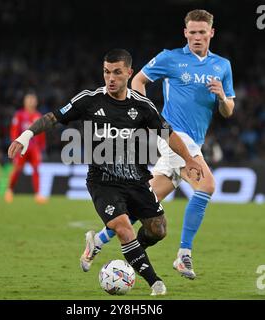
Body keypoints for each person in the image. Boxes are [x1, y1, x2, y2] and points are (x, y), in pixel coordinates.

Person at [8, 49, 203, 295]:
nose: (111, 78)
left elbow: (169, 134)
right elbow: (54, 117)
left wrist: (189, 160)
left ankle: (108, 246)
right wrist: (26, 135)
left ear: (129, 73)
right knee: (123, 228)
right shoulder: (89, 100)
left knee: (158, 230)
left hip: (137, 180)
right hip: (103, 182)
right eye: (106, 72)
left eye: (117, 73)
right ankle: (155, 282)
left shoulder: (141, 106)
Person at [81, 9, 235, 280]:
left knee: (147, 201)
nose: (197, 37)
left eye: (202, 32)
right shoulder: (170, 58)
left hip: (192, 141)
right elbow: (139, 80)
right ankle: (183, 254)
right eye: (192, 32)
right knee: (207, 185)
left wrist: (222, 97)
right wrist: (149, 116)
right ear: (185, 32)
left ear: (211, 33)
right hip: (173, 135)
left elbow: (228, 111)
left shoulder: (222, 66)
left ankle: (99, 241)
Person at [5, 92, 47, 204]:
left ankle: (38, 195)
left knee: (36, 170)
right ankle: (9, 190)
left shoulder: (38, 116)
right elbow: (14, 130)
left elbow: (42, 134)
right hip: (22, 147)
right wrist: (16, 143)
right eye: (29, 100)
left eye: (33, 100)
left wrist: (41, 148)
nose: (31, 102)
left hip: (34, 149)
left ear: (36, 102)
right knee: (17, 169)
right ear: (25, 102)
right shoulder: (19, 115)